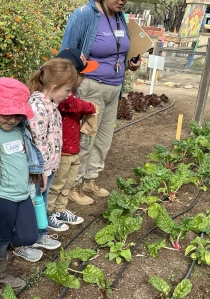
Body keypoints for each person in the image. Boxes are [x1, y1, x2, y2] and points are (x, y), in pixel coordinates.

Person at [61, 0, 141, 205]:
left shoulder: (120, 17)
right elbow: (67, 54)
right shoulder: (84, 15)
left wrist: (131, 63)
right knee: (86, 138)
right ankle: (74, 185)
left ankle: (90, 180)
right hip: (91, 86)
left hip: (115, 88)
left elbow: (119, 50)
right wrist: (68, 88)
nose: (122, 1)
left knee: (104, 139)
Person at [0, 77, 44, 285]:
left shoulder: (21, 130)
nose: (11, 119)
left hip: (21, 192)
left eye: (17, 115)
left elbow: (29, 157)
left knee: (29, 236)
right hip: (0, 194)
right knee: (2, 234)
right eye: (5, 113)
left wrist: (39, 174)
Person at [26, 58, 79, 239]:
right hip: (40, 170)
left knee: (41, 200)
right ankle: (33, 236)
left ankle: (39, 233)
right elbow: (38, 142)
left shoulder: (49, 104)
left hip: (46, 168)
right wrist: (43, 170)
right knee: (36, 201)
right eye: (67, 90)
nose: (69, 94)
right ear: (55, 86)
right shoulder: (39, 106)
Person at [50, 48, 99, 224]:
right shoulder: (61, 96)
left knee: (67, 184)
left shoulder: (69, 94)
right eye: (82, 74)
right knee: (56, 184)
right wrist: (91, 107)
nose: (84, 78)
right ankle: (50, 213)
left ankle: (61, 209)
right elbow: (75, 105)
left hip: (73, 148)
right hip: (62, 152)